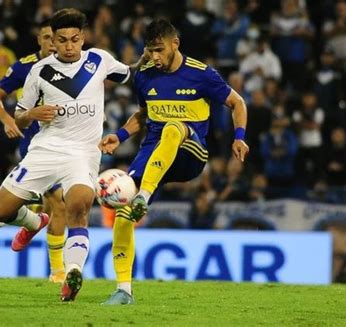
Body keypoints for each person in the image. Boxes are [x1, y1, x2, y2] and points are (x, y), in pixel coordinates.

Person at [0, 8, 132, 302]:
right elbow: (19, 116)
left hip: (83, 154)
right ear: (53, 40)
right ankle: (33, 222)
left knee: (78, 208)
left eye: (74, 40)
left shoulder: (100, 60)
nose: (67, 46)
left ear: (83, 38)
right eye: (61, 40)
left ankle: (72, 272)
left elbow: (131, 72)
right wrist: (32, 114)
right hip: (45, 149)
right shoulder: (39, 71)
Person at [100, 18, 249, 304]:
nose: (154, 57)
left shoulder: (201, 74)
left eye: (159, 50)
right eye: (150, 50)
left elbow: (237, 103)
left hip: (190, 154)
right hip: (153, 151)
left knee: (173, 127)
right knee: (123, 212)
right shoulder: (144, 75)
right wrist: (119, 136)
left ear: (175, 44)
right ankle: (123, 290)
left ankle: (144, 195)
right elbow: (144, 114)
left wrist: (239, 136)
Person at [0, 19, 68, 284]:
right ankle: (51, 259)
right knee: (54, 204)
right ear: (39, 40)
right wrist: (8, 121)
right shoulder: (25, 66)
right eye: (47, 38)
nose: (53, 43)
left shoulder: (72, 65)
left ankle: (35, 231)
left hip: (63, 145)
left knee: (55, 203)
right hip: (34, 147)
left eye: (57, 38)